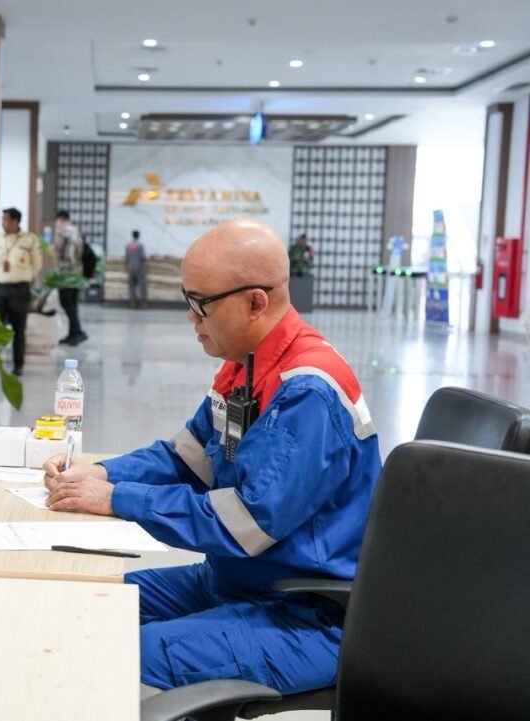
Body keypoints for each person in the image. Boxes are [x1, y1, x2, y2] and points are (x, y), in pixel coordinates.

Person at [41, 218, 381, 695]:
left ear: (255, 303)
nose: (191, 318)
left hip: (301, 613)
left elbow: (245, 523)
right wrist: (98, 472)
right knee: (76, 605)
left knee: (106, 645)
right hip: (233, 582)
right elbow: (185, 459)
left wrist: (117, 498)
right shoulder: (245, 367)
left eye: (200, 304)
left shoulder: (308, 394)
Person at [0, 207, 42, 375]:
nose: (3, 223)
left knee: (19, 330)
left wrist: (23, 276)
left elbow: (36, 264)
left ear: (16, 221)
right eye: (2, 219)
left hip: (19, 290)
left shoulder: (29, 240)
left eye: (6, 220)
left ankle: (18, 365)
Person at [53, 210, 88, 345]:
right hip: (77, 273)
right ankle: (73, 333)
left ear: (60, 220)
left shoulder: (62, 232)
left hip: (65, 274)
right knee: (72, 304)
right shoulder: (77, 231)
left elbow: (57, 251)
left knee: (66, 303)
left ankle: (77, 332)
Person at [125, 229, 148, 309]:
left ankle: (132, 304)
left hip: (130, 267)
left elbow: (127, 258)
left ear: (132, 236)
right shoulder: (140, 245)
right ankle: (143, 305)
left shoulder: (128, 246)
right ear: (138, 236)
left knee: (131, 287)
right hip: (139, 268)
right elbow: (143, 257)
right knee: (142, 286)